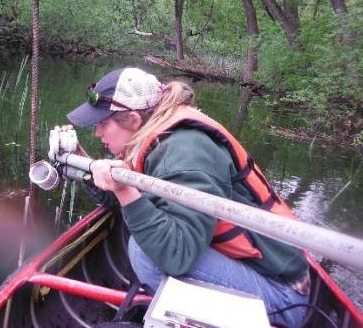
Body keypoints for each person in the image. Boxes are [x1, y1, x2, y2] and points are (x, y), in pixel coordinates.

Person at [66, 67, 310, 328]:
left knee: (145, 253)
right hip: (257, 273)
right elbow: (124, 200)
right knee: (143, 228)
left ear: (135, 120)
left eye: (103, 123)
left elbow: (175, 255)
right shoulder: (159, 136)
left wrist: (124, 190)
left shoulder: (184, 153)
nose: (97, 133)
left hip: (282, 298)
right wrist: (87, 168)